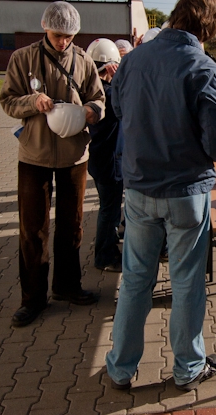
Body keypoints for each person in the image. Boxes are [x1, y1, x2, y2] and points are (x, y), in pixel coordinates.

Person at [106, 0, 216, 392]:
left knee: (135, 280)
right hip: (184, 192)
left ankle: (120, 367)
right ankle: (187, 366)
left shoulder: (134, 60)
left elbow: (117, 108)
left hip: (141, 188)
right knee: (186, 282)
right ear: (209, 27)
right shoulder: (204, 68)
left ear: (177, 14)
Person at [0, 1, 105, 328]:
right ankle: (32, 299)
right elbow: (7, 100)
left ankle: (67, 286)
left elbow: (99, 99)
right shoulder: (23, 58)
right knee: (33, 228)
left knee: (72, 224)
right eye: (58, 35)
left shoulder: (84, 60)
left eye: (69, 36)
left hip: (74, 154)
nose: (63, 42)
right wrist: (33, 101)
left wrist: (91, 110)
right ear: (45, 27)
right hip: (35, 155)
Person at [87, 39, 124, 272]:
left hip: (99, 160)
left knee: (107, 208)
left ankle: (105, 250)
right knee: (109, 211)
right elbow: (127, 103)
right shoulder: (109, 95)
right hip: (109, 162)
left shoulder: (92, 91)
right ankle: (105, 255)